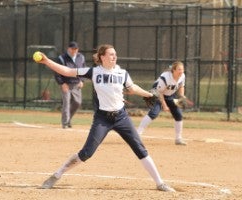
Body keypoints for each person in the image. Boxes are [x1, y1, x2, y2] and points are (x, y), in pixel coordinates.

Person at [34, 44, 175, 192]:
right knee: (86, 153)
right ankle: (56, 175)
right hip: (102, 119)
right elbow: (68, 71)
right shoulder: (94, 72)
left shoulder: (122, 73)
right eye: (111, 54)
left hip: (121, 117)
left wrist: (149, 94)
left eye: (115, 54)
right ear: (102, 57)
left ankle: (160, 183)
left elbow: (132, 88)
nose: (114, 56)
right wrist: (47, 61)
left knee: (140, 149)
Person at [137, 61, 187, 145]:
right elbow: (160, 92)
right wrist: (164, 105)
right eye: (179, 69)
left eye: (182, 69)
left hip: (169, 95)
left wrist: (182, 96)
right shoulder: (166, 77)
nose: (181, 71)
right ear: (173, 70)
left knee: (178, 114)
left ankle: (178, 139)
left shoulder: (182, 76)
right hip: (157, 94)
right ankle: (137, 135)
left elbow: (181, 86)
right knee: (154, 113)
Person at [54, 41, 86, 129]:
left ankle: (68, 120)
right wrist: (62, 83)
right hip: (66, 84)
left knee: (77, 102)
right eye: (72, 49)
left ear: (78, 49)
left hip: (77, 84)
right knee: (66, 103)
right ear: (68, 49)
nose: (74, 51)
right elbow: (57, 72)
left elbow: (84, 70)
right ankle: (65, 123)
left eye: (75, 49)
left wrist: (82, 80)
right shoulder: (62, 58)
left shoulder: (81, 57)